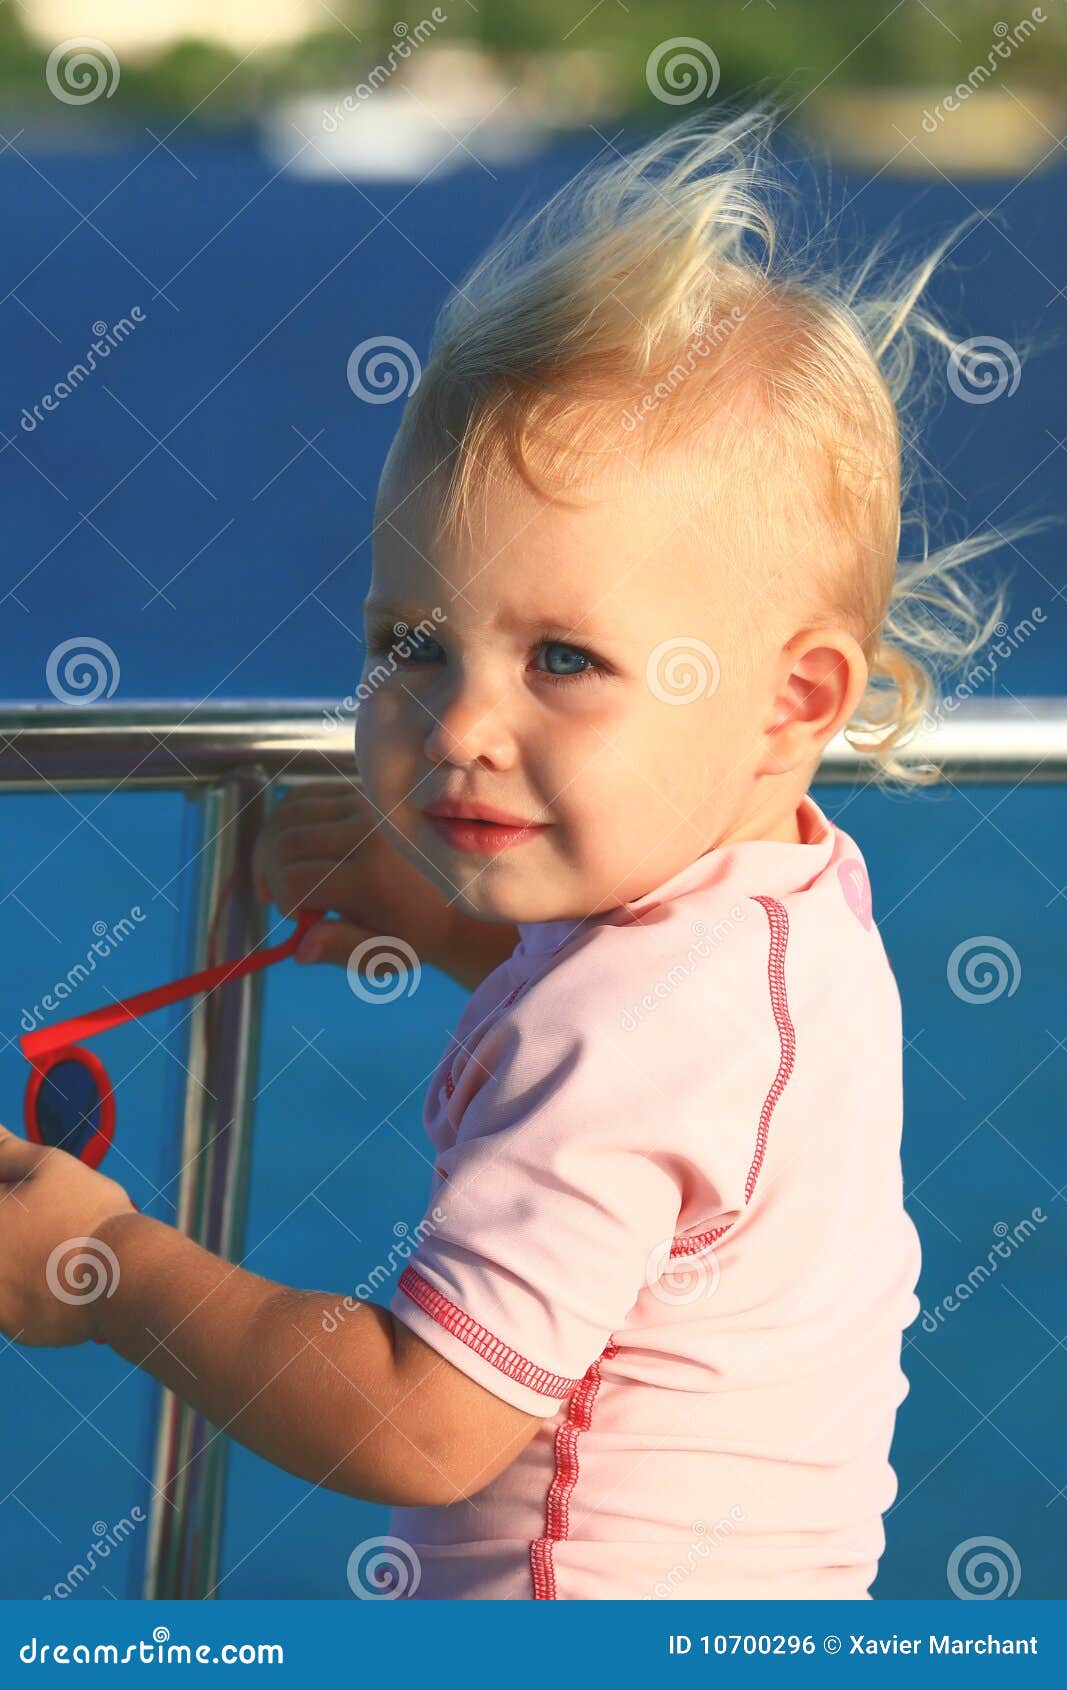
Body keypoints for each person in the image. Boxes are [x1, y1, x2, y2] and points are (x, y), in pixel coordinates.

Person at [0, 104, 1024, 1599]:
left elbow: (424, 1421)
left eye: (561, 658)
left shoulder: (639, 1026)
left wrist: (109, 1272)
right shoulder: (788, 909)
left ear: (790, 699)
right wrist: (459, 921)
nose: (460, 723)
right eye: (412, 643)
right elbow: (667, 1076)